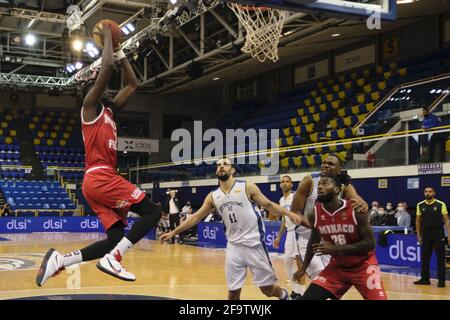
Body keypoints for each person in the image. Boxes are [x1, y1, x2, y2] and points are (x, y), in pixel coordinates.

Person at [35, 25, 161, 286]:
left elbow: (133, 84)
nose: (99, 85)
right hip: (100, 176)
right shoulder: (89, 109)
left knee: (115, 238)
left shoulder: (110, 112)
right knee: (152, 213)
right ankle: (115, 257)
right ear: (89, 94)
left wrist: (120, 49)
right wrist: (107, 37)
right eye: (94, 86)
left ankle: (61, 260)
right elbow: (106, 68)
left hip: (96, 183)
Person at [160, 157, 303, 300]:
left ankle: (283, 295)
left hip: (254, 245)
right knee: (233, 293)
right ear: (216, 170)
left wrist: (289, 213)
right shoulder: (213, 197)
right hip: (234, 247)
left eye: (225, 164)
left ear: (232, 170)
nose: (221, 166)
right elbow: (196, 217)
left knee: (267, 290)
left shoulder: (247, 186)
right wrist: (173, 232)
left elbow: (269, 204)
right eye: (219, 165)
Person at [294, 175, 387, 300]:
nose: (320, 187)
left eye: (325, 184)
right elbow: (314, 240)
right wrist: (303, 268)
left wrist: (335, 249)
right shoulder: (314, 213)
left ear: (337, 190)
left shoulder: (355, 210)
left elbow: (370, 244)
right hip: (338, 268)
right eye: (319, 184)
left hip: (363, 266)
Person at [289, 154, 368, 295]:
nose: (325, 165)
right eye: (324, 163)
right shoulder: (310, 181)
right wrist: (317, 227)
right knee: (320, 276)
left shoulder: (343, 186)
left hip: (330, 242)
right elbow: (294, 213)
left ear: (339, 169)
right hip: (307, 239)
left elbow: (358, 201)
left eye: (331, 164)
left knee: (333, 284)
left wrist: (363, 204)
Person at [273, 175, 303, 299]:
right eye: (282, 182)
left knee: (299, 262)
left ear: (291, 184)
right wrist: (279, 237)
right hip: (289, 233)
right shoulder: (281, 200)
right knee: (288, 262)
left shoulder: (295, 197)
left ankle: (301, 292)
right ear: (280, 185)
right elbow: (284, 221)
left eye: (287, 182)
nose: (285, 183)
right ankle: (295, 290)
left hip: (298, 231)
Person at [414, 187, 450, 288]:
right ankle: (425, 279)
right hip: (426, 233)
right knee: (425, 257)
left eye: (430, 192)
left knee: (440, 257)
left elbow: (446, 220)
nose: (428, 193)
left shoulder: (440, 204)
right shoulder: (420, 205)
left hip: (438, 232)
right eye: (426, 191)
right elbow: (418, 221)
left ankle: (441, 280)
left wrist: (449, 234)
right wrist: (418, 235)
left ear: (434, 193)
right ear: (424, 193)